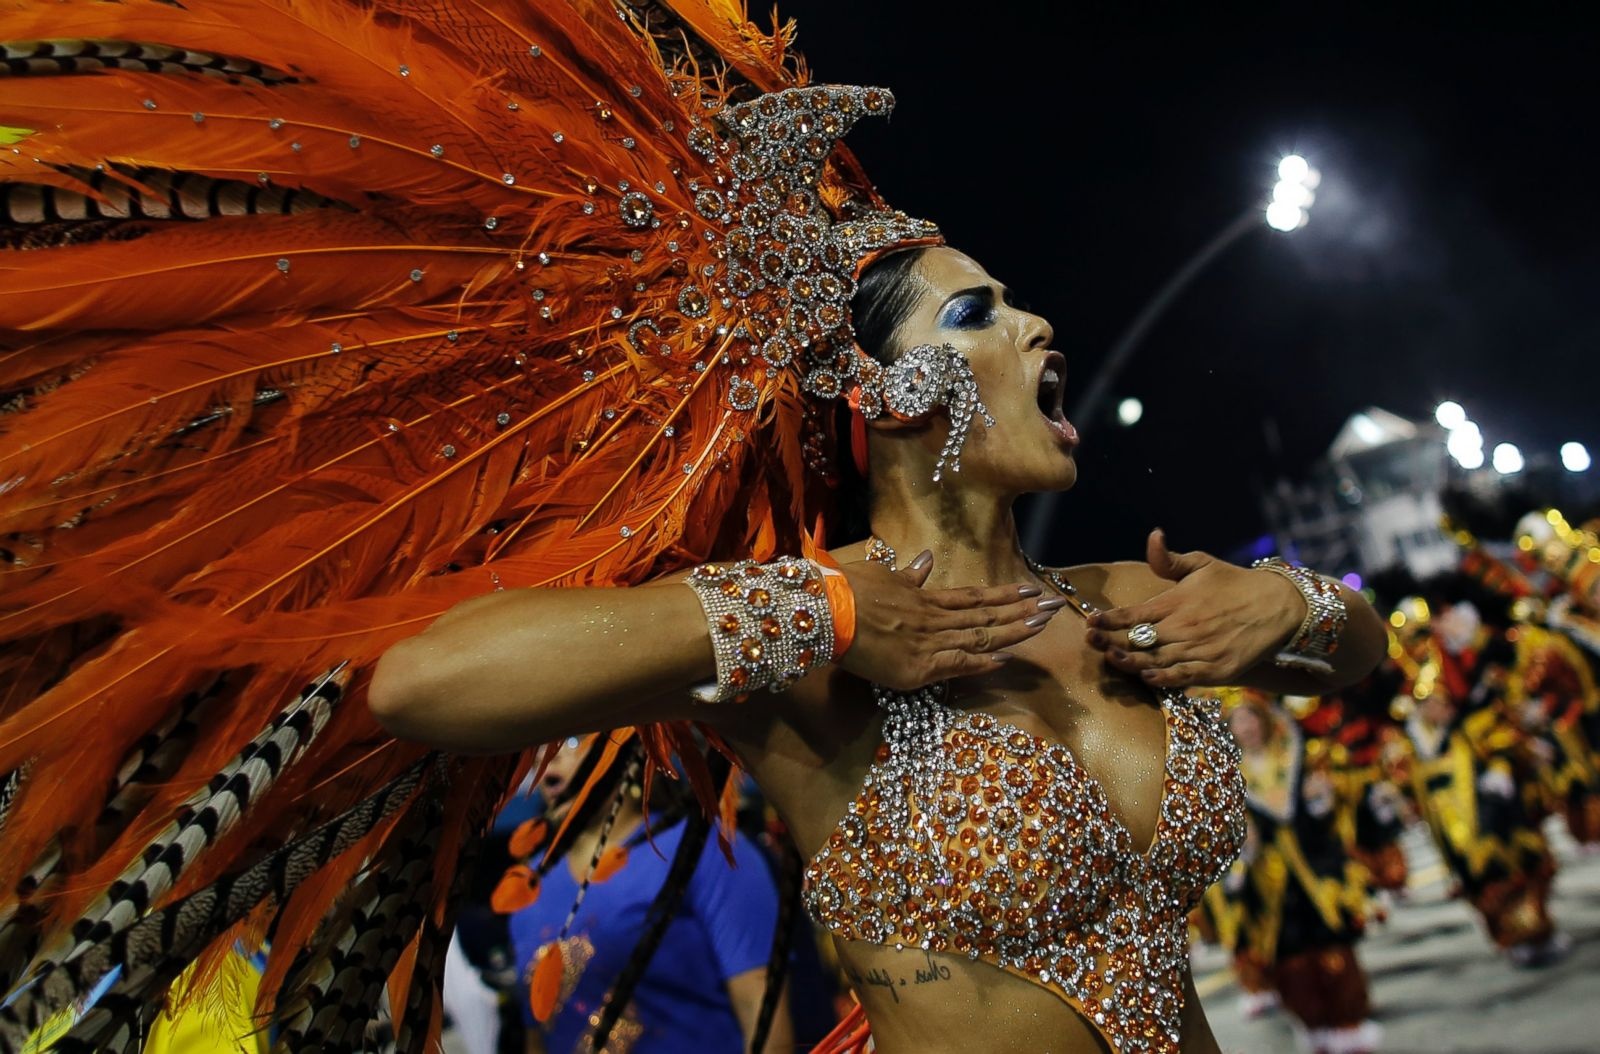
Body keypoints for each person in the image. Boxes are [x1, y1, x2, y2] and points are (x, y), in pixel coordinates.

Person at [0, 2, 1386, 1052]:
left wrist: (1298, 612)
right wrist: (822, 607)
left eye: (1019, 303)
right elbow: (426, 679)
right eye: (977, 313)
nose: (1038, 323)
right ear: (879, 397)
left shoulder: (1108, 603)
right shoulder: (806, 664)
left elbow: (1365, 656)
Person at [503, 737, 794, 1054]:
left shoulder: (705, 849)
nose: (549, 763)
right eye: (539, 751)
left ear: (631, 752)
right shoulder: (528, 886)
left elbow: (762, 1016)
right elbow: (538, 1038)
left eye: (571, 741)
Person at [1224, 692, 1380, 1054]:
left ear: (1264, 720)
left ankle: (1348, 1021)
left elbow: (1328, 817)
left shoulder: (1297, 756)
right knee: (1289, 959)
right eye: (1238, 722)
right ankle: (1313, 1023)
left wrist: (1322, 801)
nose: (1246, 728)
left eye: (1250, 719)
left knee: (1333, 947)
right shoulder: (1229, 778)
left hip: (1314, 872)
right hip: (1268, 884)